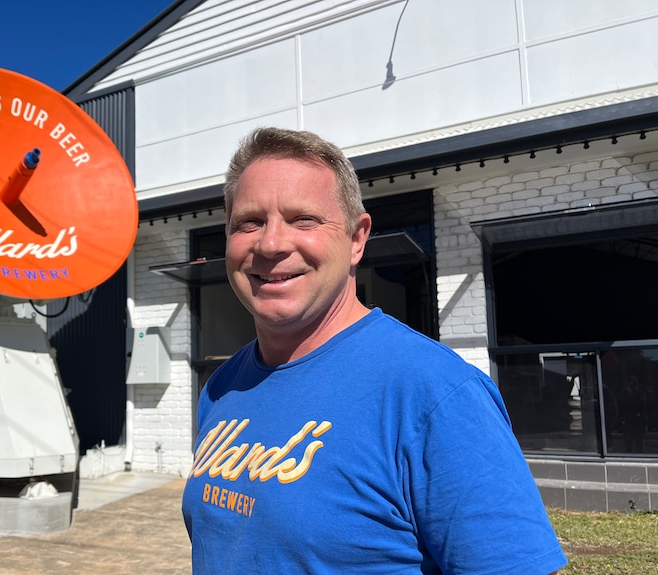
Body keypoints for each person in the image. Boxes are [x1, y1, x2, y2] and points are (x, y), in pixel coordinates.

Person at [181, 127, 567, 574]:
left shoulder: (435, 393)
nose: (271, 244)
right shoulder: (223, 387)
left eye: (303, 219)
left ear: (356, 239)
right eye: (249, 222)